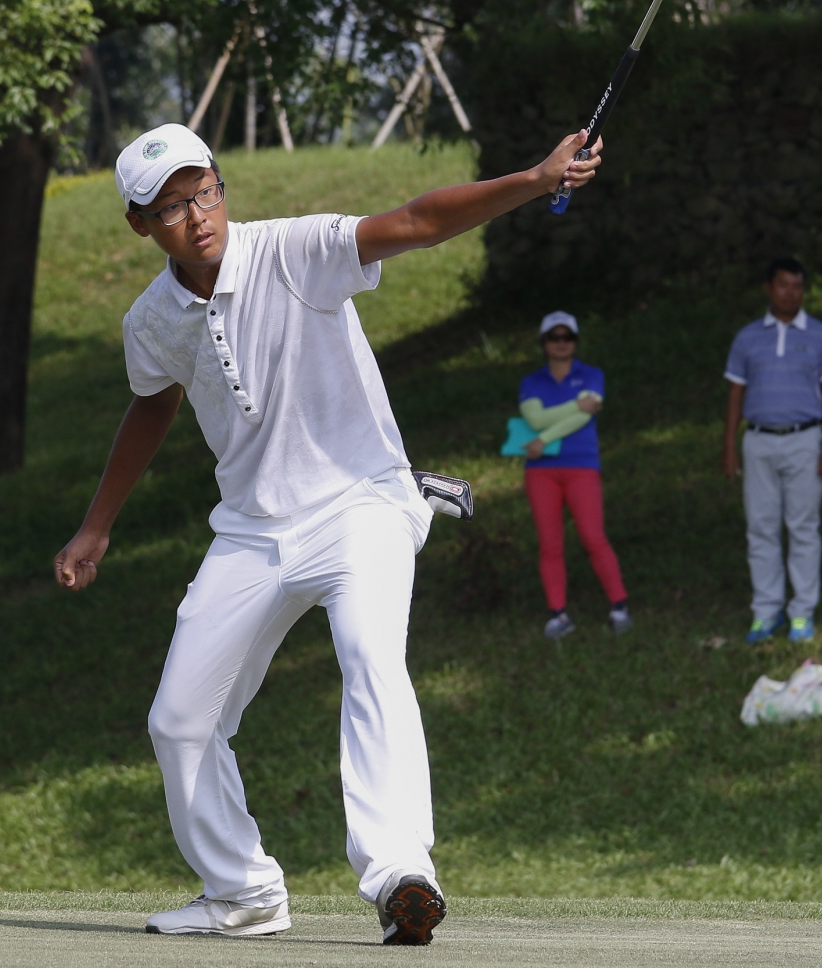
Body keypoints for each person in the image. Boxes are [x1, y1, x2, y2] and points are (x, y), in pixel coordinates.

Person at [52, 121, 601, 944]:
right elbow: (153, 402)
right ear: (139, 225)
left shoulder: (295, 250)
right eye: (169, 206)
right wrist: (96, 526)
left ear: (221, 188)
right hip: (249, 532)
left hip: (361, 505)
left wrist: (532, 177)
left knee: (370, 658)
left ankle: (399, 875)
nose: (196, 214)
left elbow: (416, 221)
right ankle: (241, 895)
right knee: (179, 722)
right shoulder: (151, 320)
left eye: (203, 192)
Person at [722, 257, 822, 644]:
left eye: (797, 286)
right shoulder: (747, 337)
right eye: (783, 285)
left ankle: (802, 612)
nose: (790, 293)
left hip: (805, 439)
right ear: (768, 288)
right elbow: (736, 393)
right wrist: (729, 446)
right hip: (758, 439)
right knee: (760, 527)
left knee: (803, 527)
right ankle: (766, 611)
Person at [517, 310, 631, 640]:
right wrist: (577, 406)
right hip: (541, 471)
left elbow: (567, 421)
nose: (561, 343)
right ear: (544, 343)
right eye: (555, 337)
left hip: (582, 465)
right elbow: (537, 420)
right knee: (550, 543)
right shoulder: (531, 381)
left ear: (576, 342)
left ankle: (619, 605)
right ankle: (558, 613)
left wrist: (545, 439)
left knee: (593, 537)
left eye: (567, 337)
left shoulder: (592, 374)